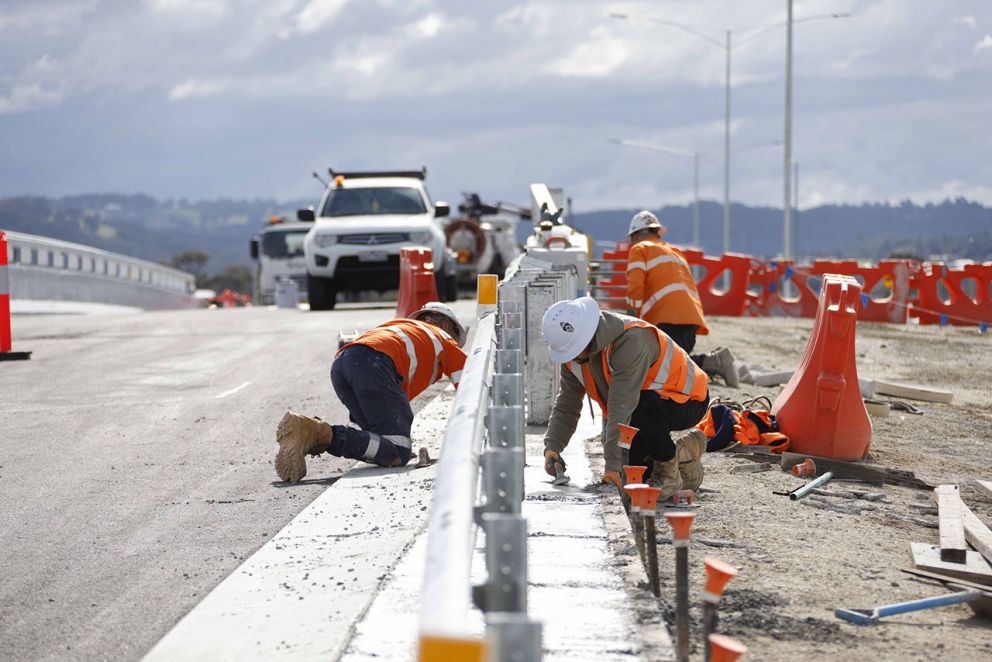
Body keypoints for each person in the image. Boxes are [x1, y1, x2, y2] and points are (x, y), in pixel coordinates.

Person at [275, 302, 468, 482]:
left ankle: (309, 433)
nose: (456, 342)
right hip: (376, 365)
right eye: (456, 336)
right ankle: (319, 432)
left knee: (381, 442)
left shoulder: (401, 328)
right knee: (398, 451)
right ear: (444, 324)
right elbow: (470, 388)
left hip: (343, 363)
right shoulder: (444, 339)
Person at [540, 296, 710, 499]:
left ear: (587, 339)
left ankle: (669, 472)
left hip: (686, 399)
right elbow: (567, 404)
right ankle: (685, 453)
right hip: (647, 407)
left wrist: (612, 468)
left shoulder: (631, 340)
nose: (572, 358)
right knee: (637, 475)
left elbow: (622, 406)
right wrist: (552, 447)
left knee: (637, 412)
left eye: (574, 352)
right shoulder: (574, 356)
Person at [625, 210, 739, 388]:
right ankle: (713, 362)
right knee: (669, 362)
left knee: (658, 368)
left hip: (668, 321)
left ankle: (715, 362)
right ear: (656, 232)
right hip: (690, 322)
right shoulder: (676, 252)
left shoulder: (640, 249)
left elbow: (635, 289)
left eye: (632, 238)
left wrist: (630, 322)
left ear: (636, 235)